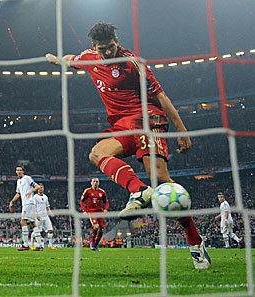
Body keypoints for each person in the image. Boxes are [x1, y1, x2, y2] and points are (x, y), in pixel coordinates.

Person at [46, 22, 210, 269]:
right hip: (122, 126)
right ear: (95, 47)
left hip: (147, 120)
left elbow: (161, 96)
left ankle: (196, 244)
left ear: (116, 42)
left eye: (111, 47)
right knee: (97, 153)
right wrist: (54, 59)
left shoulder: (132, 63)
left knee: (162, 181)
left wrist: (182, 131)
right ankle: (139, 190)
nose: (108, 53)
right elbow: (70, 59)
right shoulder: (90, 58)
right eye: (103, 49)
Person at [9, 165, 43, 251]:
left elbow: (37, 186)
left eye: (20, 170)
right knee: (32, 223)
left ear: (23, 171)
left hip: (29, 202)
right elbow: (18, 193)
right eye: (17, 170)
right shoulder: (18, 181)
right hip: (26, 203)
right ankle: (39, 245)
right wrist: (12, 201)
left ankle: (25, 244)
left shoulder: (27, 178)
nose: (19, 171)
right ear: (16, 172)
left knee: (23, 221)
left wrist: (30, 192)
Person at [80, 177, 109, 251]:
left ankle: (95, 245)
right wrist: (84, 211)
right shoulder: (87, 191)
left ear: (98, 183)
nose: (95, 182)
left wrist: (105, 209)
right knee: (96, 227)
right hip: (91, 212)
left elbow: (106, 202)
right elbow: (82, 201)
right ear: (91, 183)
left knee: (101, 230)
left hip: (100, 212)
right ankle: (92, 242)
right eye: (94, 181)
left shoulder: (102, 192)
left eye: (96, 181)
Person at [32, 184, 56, 250]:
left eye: (42, 187)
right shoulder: (35, 197)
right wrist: (36, 214)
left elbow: (47, 207)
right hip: (39, 216)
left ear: (43, 189)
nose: (40, 189)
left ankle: (50, 246)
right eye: (39, 187)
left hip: (46, 216)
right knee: (37, 231)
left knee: (50, 230)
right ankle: (32, 244)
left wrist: (50, 213)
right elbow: (33, 207)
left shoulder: (45, 197)